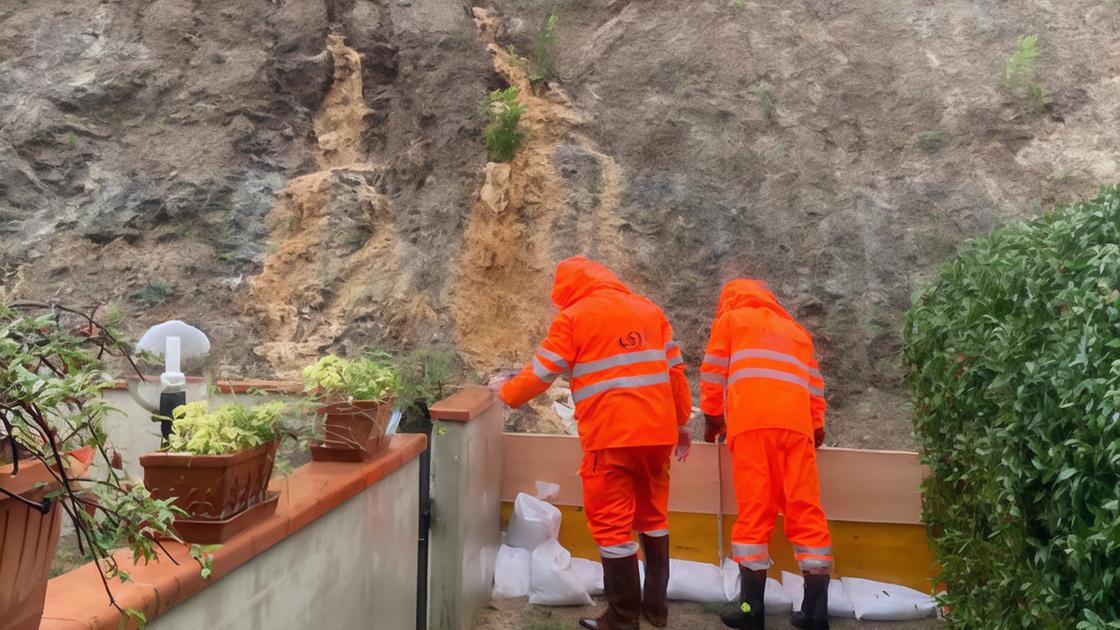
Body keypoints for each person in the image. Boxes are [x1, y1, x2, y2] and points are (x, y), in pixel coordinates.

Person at [489, 256, 693, 630]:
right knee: (653, 517)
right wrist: (681, 422)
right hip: (658, 436)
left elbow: (540, 373)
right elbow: (675, 372)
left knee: (612, 525)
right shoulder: (649, 310)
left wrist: (506, 393)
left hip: (612, 438)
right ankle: (656, 609)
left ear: (567, 289)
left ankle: (622, 617)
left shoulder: (573, 318)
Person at [700, 279, 832, 630]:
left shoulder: (731, 320)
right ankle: (816, 615)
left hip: (752, 428)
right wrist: (815, 426)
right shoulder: (796, 332)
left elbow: (713, 372)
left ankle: (750, 613)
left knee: (755, 513)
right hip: (797, 429)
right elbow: (814, 387)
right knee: (806, 511)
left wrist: (713, 418)